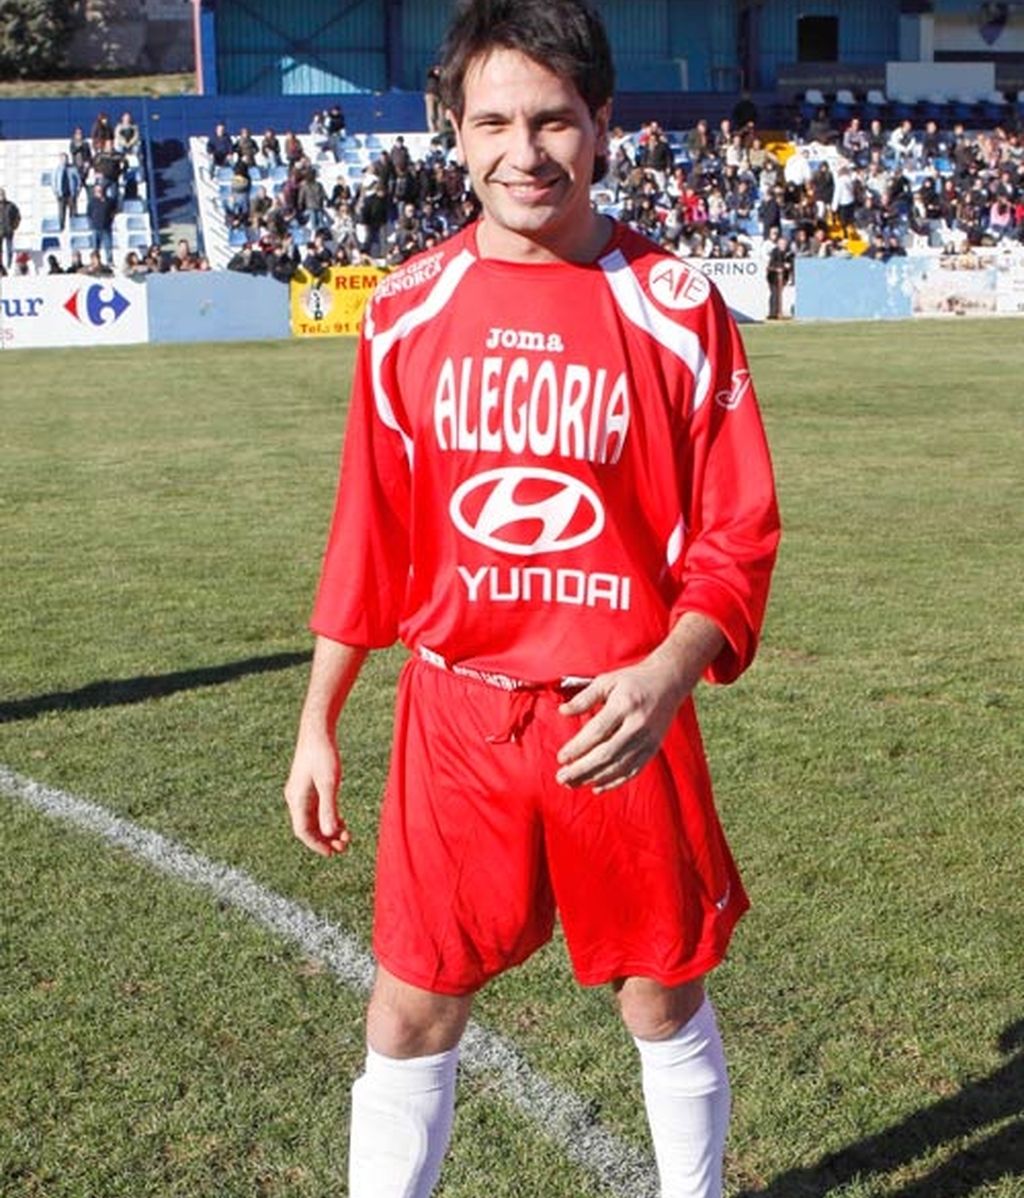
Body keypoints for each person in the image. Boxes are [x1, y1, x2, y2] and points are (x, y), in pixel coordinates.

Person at [283, 4, 780, 1198]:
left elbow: (737, 530)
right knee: (408, 1008)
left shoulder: (675, 303)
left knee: (661, 991)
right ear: (451, 133)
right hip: (456, 718)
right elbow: (371, 533)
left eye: (554, 117)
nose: (525, 149)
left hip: (621, 713)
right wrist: (318, 719)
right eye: (494, 120)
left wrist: (667, 674)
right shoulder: (404, 309)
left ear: (603, 124)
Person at [0, 187, 21, 269]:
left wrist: (14, 226)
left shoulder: (11, 205)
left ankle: (9, 264)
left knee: (9, 249)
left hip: (9, 231)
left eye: (2, 194)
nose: (1, 196)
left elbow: (18, 217)